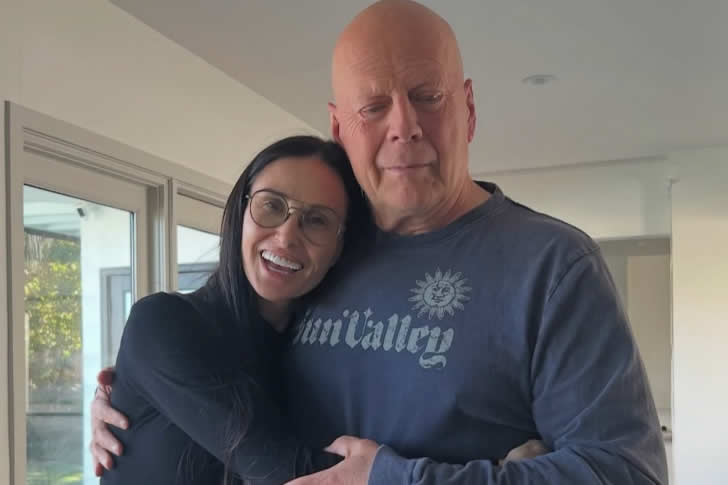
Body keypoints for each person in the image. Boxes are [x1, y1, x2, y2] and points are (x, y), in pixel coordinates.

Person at [92, 1, 669, 483]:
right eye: (373, 106)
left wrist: (404, 479)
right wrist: (136, 401)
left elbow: (627, 473)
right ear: (340, 130)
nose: (404, 126)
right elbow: (238, 402)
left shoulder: (553, 266)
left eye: (428, 96)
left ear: (468, 109)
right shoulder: (321, 257)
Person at [96, 135, 371, 484]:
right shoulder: (163, 323)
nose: (287, 236)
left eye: (317, 220)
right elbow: (289, 470)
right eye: (272, 205)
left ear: (339, 248)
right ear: (241, 214)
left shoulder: (317, 352)